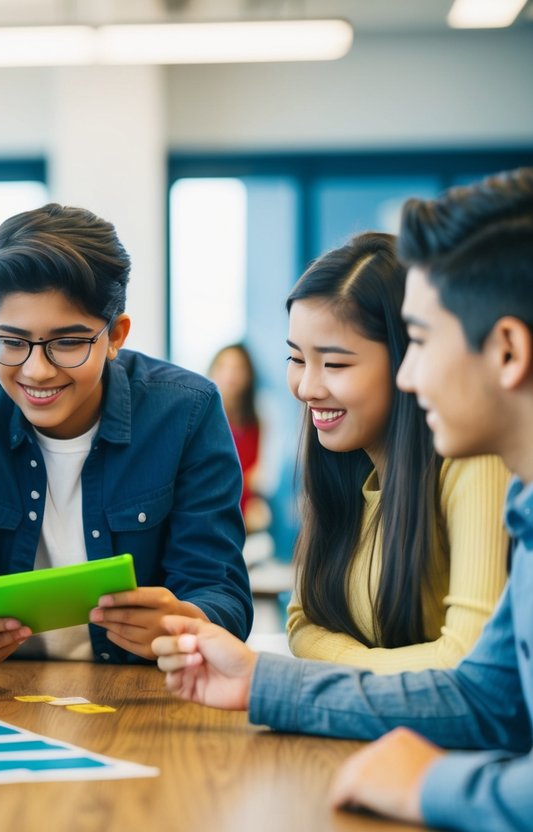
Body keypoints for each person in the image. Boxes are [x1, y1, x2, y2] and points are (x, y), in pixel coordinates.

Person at [152, 167, 533, 831]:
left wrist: (434, 786)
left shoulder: (483, 476)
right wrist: (261, 681)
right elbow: (486, 697)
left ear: (504, 350)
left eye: (417, 342)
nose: (409, 374)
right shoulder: (523, 507)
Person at [0, 203, 252, 680]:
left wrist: (192, 622)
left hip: (146, 694)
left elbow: (220, 591)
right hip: (1, 694)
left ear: (115, 336)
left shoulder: (186, 412)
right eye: (12, 341)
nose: (36, 370)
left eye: (67, 342)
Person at [284, 233, 509, 671]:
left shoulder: (474, 461)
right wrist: (368, 664)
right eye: (295, 359)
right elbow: (302, 623)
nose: (307, 388)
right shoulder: (345, 465)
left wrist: (347, 662)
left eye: (335, 364)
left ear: (410, 361)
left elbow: (469, 660)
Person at [207, 343, 270, 532]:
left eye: (238, 368)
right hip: (211, 506)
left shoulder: (259, 418)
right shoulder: (204, 417)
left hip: (246, 512)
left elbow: (262, 475)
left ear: (249, 375)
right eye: (223, 367)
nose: (230, 375)